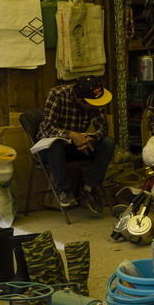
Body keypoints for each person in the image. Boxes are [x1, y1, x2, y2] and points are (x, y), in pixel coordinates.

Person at [35, 76, 114, 215]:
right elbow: (47, 129)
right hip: (51, 147)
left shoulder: (94, 100)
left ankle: (90, 186)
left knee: (108, 143)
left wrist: (89, 138)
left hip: (77, 145)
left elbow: (102, 128)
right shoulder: (57, 94)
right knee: (55, 144)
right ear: (79, 100)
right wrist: (71, 135)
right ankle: (64, 190)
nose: (96, 107)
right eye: (91, 104)